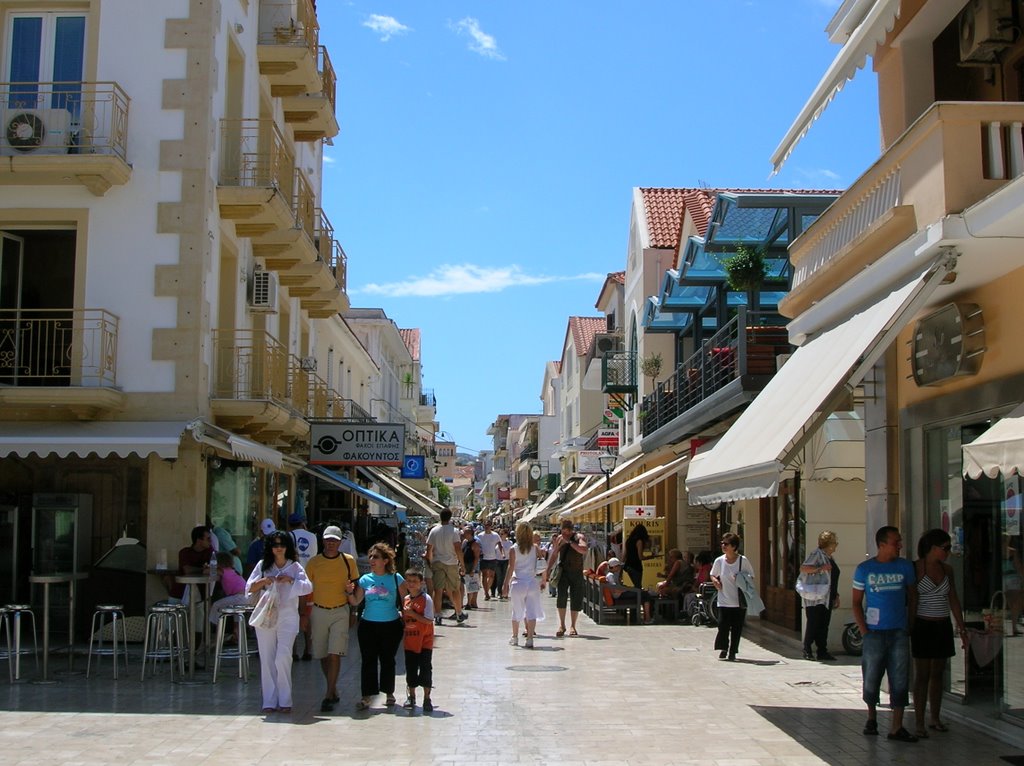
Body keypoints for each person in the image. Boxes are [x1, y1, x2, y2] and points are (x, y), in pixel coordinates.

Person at [852, 525, 918, 743]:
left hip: (898, 631)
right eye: (895, 541)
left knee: (900, 678)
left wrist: (909, 624)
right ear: (882, 545)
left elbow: (912, 595)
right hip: (874, 633)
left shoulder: (905, 567)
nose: (899, 545)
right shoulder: (864, 569)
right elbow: (856, 602)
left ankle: (896, 726)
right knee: (871, 676)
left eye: (899, 541)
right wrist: (864, 631)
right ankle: (871, 717)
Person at [244, 530, 312, 715]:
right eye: (275, 545)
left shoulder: (295, 567)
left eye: (282, 544)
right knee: (267, 658)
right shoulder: (262, 565)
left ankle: (285, 699)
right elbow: (249, 588)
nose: (279, 548)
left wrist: (290, 581)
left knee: (283, 656)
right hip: (266, 615)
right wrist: (265, 580)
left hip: (288, 617)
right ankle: (269, 700)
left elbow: (308, 587)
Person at [912, 528, 967, 739]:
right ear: (933, 548)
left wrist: (961, 627)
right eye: (945, 548)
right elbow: (912, 598)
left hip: (942, 625)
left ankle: (934, 717)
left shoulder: (947, 570)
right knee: (922, 675)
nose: (948, 552)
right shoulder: (917, 568)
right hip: (922, 625)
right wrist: (909, 626)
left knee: (938, 674)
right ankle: (919, 721)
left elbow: (953, 598)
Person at [301, 525, 360, 713]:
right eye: (328, 540)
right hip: (318, 610)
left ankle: (328, 694)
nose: (331, 543)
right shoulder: (313, 562)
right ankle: (333, 688)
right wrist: (304, 614)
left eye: (334, 540)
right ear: (323, 541)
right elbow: (305, 590)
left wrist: (353, 612)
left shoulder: (348, 561)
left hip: (340, 610)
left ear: (341, 542)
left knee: (335, 652)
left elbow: (355, 586)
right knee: (322, 654)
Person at [353, 542, 408, 710]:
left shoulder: (395, 578)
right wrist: (349, 592)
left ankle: (389, 692)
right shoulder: (364, 580)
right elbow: (356, 601)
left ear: (385, 560)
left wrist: (408, 621)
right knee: (368, 660)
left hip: (390, 625)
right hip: (368, 624)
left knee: (387, 660)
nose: (371, 560)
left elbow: (406, 601)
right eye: (370, 556)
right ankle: (367, 695)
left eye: (375, 557)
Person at [710, 532, 753, 661]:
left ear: (734, 546)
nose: (723, 546)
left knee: (736, 628)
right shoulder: (719, 561)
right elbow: (713, 574)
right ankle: (724, 648)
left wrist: (741, 578)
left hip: (739, 601)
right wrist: (715, 581)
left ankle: (733, 651)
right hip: (723, 600)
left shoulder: (742, 561)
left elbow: (751, 576)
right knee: (722, 626)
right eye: (722, 543)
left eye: (726, 544)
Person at [799, 530, 841, 661]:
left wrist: (836, 595)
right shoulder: (817, 555)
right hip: (815, 597)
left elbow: (832, 578)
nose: (836, 545)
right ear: (829, 544)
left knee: (824, 624)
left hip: (827, 596)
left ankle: (822, 650)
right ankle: (807, 649)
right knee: (813, 623)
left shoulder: (829, 557)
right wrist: (820, 569)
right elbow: (804, 568)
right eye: (834, 542)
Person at [504, 521, 546, 648]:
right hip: (532, 583)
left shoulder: (514, 549)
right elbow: (542, 565)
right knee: (531, 612)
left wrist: (505, 584)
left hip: (518, 583)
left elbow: (511, 568)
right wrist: (544, 580)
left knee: (516, 611)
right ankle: (530, 639)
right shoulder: (535, 548)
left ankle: (515, 637)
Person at [401, 568, 435, 713]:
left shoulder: (426, 599)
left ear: (421, 583)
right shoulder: (406, 599)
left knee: (426, 669)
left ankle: (427, 698)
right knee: (411, 670)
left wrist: (412, 614)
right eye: (409, 581)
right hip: (410, 641)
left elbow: (428, 620)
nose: (411, 584)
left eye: (415, 581)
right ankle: (412, 696)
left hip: (424, 641)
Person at [546, 519, 587, 637]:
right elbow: (554, 554)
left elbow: (583, 550)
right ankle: (562, 625)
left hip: (576, 572)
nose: (564, 534)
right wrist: (548, 569)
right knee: (561, 597)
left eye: (567, 532)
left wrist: (569, 542)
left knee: (575, 598)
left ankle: (573, 625)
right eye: (563, 532)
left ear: (571, 531)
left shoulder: (579, 537)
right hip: (563, 571)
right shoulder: (559, 539)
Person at [425, 509, 466, 625]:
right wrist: (462, 564)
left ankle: (437, 615)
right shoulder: (454, 531)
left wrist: (430, 562)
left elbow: (429, 549)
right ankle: (459, 613)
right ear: (450, 517)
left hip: (437, 562)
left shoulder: (434, 530)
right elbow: (458, 548)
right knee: (455, 589)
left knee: (437, 590)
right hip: (451, 562)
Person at [288, 512, 319, 662]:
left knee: (293, 615)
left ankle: (293, 652)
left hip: (293, 582)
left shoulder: (288, 537)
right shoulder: (312, 537)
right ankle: (308, 650)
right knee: (307, 615)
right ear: (303, 523)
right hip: (309, 582)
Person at [606, 557, 654, 624]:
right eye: (618, 566)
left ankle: (646, 618)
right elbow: (615, 590)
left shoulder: (612, 575)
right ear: (614, 567)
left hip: (620, 593)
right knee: (645, 594)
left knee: (643, 593)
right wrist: (627, 590)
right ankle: (647, 618)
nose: (620, 568)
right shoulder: (610, 576)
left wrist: (629, 589)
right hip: (619, 595)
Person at [209, 551, 248, 632]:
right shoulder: (232, 571)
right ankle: (236, 634)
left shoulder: (224, 571)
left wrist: (208, 567)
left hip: (239, 597)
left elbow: (210, 572)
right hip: (245, 597)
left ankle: (214, 626)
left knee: (217, 605)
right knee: (237, 616)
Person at [1002, 534, 1024, 637]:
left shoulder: (998, 550)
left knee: (1007, 604)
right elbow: (1017, 565)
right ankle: (1014, 627)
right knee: (1016, 603)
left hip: (1003, 578)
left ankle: (1003, 627)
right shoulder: (1012, 551)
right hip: (1013, 578)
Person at [477, 520, 501, 600]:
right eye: (485, 525)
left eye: (488, 525)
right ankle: (486, 593)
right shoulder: (480, 536)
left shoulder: (495, 535)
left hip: (493, 557)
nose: (487, 527)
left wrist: (502, 553)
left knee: (491, 576)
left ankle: (486, 590)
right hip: (483, 558)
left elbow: (499, 544)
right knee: (484, 575)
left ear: (491, 526)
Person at [624, 523, 650, 588]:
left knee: (636, 585)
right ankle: (638, 597)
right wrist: (649, 557)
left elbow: (624, 554)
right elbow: (640, 557)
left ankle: (636, 596)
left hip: (628, 565)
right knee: (638, 586)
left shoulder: (628, 540)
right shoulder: (639, 541)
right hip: (636, 566)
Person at [461, 526, 482, 610]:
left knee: (471, 585)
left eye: (465, 532)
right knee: (462, 584)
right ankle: (464, 602)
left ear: (470, 533)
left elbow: (477, 558)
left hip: (471, 565)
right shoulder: (465, 542)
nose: (463, 534)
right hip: (464, 565)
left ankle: (469, 603)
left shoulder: (475, 544)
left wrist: (473, 569)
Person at [495, 527, 513, 599]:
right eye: (500, 534)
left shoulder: (510, 543)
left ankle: (505, 592)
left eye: (502, 534)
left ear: (506, 534)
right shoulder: (497, 542)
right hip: (497, 561)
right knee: (499, 577)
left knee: (506, 577)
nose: (501, 535)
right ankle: (499, 592)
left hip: (506, 561)